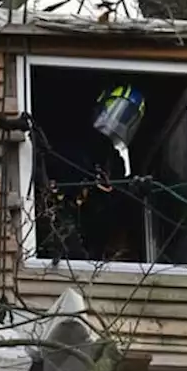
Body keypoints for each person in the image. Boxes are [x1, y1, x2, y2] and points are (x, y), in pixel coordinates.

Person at [33, 83, 147, 262]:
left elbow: (113, 204)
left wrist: (132, 192)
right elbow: (46, 170)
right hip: (60, 218)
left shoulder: (114, 162)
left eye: (126, 118)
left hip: (91, 230)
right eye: (117, 112)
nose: (117, 122)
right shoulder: (72, 139)